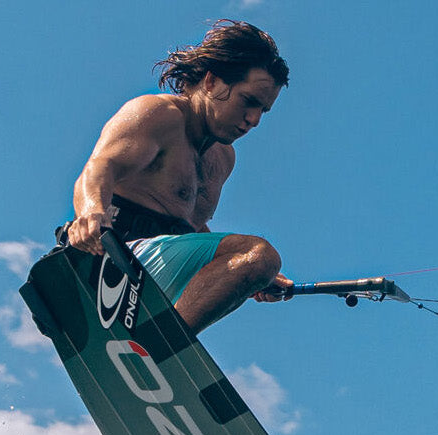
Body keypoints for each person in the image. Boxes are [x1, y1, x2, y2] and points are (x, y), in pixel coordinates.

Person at [65, 20, 292, 333]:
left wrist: (245, 274)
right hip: (109, 262)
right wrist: (90, 213)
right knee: (260, 254)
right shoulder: (158, 114)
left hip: (152, 272)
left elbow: (192, 228)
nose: (253, 120)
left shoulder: (223, 158)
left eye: (263, 111)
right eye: (248, 101)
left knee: (257, 261)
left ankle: (161, 347)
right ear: (211, 81)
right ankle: (164, 348)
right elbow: (100, 167)